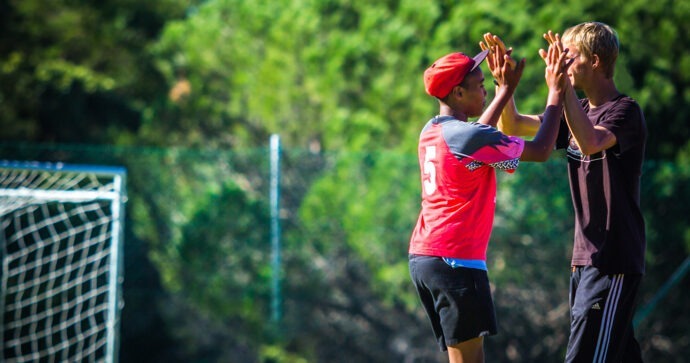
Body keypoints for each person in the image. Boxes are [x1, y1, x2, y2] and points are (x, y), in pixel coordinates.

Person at [487, 22, 647, 362]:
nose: (561, 65)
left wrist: (560, 89)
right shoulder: (581, 112)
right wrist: (505, 85)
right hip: (585, 261)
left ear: (597, 61)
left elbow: (591, 142)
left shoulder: (625, 110)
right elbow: (514, 126)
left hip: (612, 260)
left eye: (569, 57)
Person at [408, 40, 570, 363]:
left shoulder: (432, 130)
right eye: (479, 86)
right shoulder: (469, 138)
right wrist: (556, 91)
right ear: (457, 94)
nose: (485, 90)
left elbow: (476, 134)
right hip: (456, 260)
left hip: (425, 258)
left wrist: (503, 92)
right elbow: (539, 150)